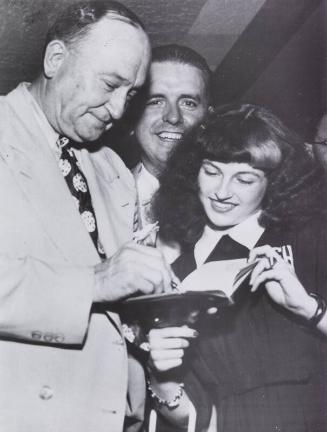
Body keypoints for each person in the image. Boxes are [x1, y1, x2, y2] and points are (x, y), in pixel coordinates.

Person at [0, 2, 174, 432]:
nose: (118, 110)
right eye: (110, 84)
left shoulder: (110, 169)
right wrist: (95, 282)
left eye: (130, 94)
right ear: (56, 60)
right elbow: (97, 283)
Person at [146, 104, 327, 431]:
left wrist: (311, 310)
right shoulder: (180, 271)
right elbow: (198, 418)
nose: (222, 192)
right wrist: (160, 378)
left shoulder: (311, 241)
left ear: (274, 183)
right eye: (211, 172)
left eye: (244, 179)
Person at [132, 44, 211, 247]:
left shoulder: (233, 198)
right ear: (131, 115)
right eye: (156, 101)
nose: (173, 117)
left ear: (208, 118)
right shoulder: (100, 198)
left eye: (188, 103)